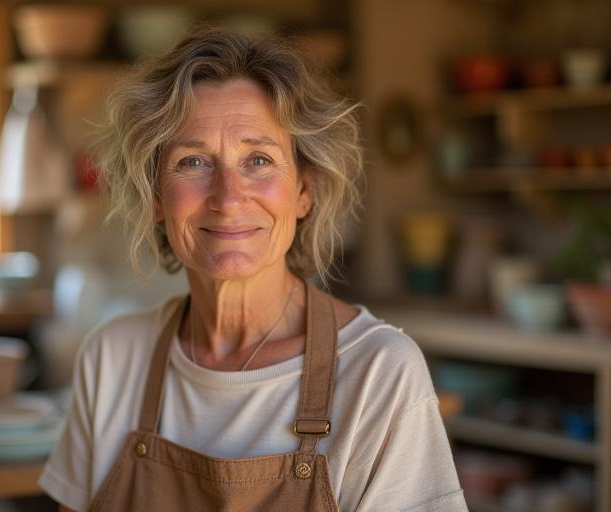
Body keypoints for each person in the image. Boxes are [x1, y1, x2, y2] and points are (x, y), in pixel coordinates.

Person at [39, 28, 467, 512]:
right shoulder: (113, 358)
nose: (229, 197)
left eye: (259, 159)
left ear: (304, 191)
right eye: (193, 161)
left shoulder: (379, 373)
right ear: (155, 196)